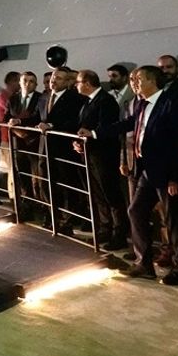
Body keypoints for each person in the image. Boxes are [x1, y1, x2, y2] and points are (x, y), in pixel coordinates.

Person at [112, 65, 178, 285]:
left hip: (168, 172)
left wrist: (175, 177)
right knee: (136, 210)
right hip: (147, 170)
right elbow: (130, 125)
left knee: (173, 220)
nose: (134, 82)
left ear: (152, 81)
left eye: (139, 78)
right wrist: (93, 132)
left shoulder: (171, 103)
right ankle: (144, 263)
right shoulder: (141, 103)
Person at [72, 70, 124, 249]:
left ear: (86, 83)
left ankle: (119, 233)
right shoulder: (87, 101)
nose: (75, 85)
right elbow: (82, 126)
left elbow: (107, 128)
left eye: (77, 82)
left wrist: (90, 136)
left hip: (104, 155)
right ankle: (105, 228)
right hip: (91, 153)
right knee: (98, 194)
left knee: (111, 194)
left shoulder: (105, 101)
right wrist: (79, 142)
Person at [35, 66, 86, 233]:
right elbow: (37, 117)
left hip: (63, 149)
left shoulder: (75, 98)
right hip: (44, 148)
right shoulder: (44, 97)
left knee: (66, 186)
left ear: (68, 81)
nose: (53, 81)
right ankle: (52, 216)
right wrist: (19, 122)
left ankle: (67, 221)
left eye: (59, 78)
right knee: (45, 184)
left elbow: (75, 122)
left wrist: (52, 126)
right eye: (53, 77)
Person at [6, 71, 42, 218]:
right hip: (18, 142)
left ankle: (42, 207)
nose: (28, 83)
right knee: (22, 176)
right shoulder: (13, 98)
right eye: (25, 80)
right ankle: (26, 207)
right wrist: (13, 126)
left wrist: (21, 123)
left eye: (32, 81)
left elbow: (38, 117)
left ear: (36, 84)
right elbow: (7, 116)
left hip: (34, 142)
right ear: (20, 82)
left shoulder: (41, 98)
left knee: (38, 177)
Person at [0, 71, 20, 191]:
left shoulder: (17, 96)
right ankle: (13, 195)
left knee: (17, 168)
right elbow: (14, 113)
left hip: (17, 137)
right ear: (10, 82)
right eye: (17, 80)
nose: (19, 83)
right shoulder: (2, 96)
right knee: (12, 169)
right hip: (6, 137)